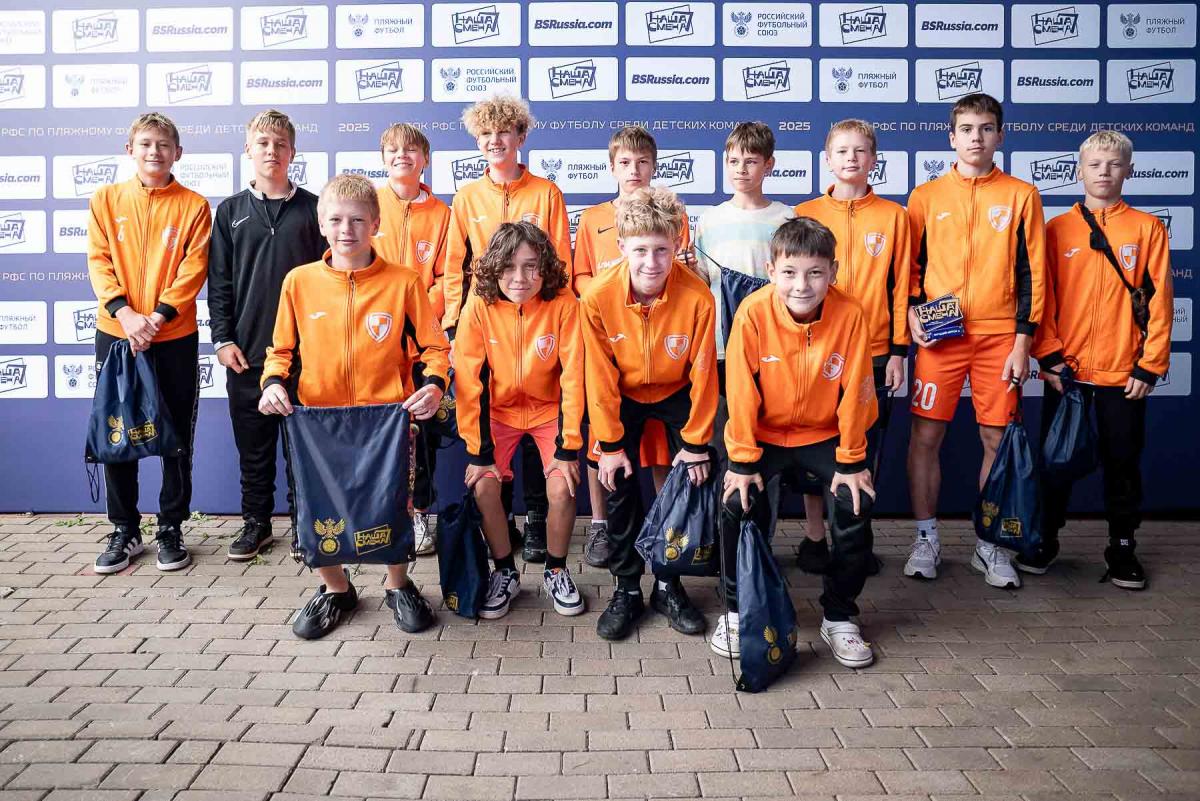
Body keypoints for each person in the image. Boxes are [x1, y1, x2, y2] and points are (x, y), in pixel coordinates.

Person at [258, 173, 450, 639]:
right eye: (337, 220)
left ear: (376, 224)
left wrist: (434, 385)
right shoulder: (299, 282)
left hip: (385, 419)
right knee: (318, 509)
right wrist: (272, 383)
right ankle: (336, 589)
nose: (347, 229)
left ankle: (398, 585)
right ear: (322, 224)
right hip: (318, 421)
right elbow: (280, 351)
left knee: (393, 505)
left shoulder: (403, 282)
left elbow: (435, 349)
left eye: (358, 220)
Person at [719, 217, 878, 668]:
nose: (802, 286)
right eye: (789, 273)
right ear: (772, 271)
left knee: (856, 502)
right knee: (734, 502)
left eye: (814, 273)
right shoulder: (752, 311)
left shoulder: (850, 314)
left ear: (833, 272)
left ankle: (840, 616)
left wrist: (852, 460)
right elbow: (740, 390)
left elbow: (857, 389)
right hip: (765, 434)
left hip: (823, 434)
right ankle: (736, 610)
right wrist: (742, 461)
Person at [903, 93, 1046, 589]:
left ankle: (990, 543)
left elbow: (1032, 273)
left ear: (1000, 135)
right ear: (952, 137)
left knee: (997, 441)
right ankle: (926, 538)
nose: (976, 138)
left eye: (986, 128)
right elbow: (911, 267)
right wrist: (910, 311)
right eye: (966, 129)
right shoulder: (925, 196)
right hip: (940, 336)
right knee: (925, 437)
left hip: (999, 336)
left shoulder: (1022, 195)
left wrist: (1024, 341)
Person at [1027, 130, 1173, 590]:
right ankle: (1045, 539)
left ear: (1129, 170)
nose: (1104, 172)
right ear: (1079, 171)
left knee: (1122, 462)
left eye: (1113, 164)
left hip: (1122, 372)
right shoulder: (1056, 229)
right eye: (1095, 164)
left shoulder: (1147, 228)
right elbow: (1042, 298)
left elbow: (1161, 302)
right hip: (1067, 374)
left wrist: (1149, 365)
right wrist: (1049, 356)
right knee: (1055, 461)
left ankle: (1122, 548)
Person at [580, 186, 717, 641]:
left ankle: (668, 584)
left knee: (689, 481)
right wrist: (610, 445)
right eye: (640, 250)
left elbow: (703, 375)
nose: (652, 262)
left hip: (676, 390)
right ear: (621, 247)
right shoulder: (597, 296)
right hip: (623, 393)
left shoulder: (697, 296)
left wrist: (696, 444)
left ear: (677, 244)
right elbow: (598, 376)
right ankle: (626, 589)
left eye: (662, 249)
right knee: (616, 480)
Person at [441, 95, 573, 563]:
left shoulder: (547, 192)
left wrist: (556, 316)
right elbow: (454, 266)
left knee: (542, 420)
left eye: (504, 132)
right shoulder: (466, 197)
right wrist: (453, 324)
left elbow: (560, 263)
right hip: (486, 321)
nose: (495, 141)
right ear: (477, 141)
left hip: (539, 319)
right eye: (486, 134)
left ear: (521, 136)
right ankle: (506, 528)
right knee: (494, 415)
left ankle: (537, 519)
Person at [90, 112, 211, 575]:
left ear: (177, 153)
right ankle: (124, 529)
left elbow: (192, 269)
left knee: (175, 435)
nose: (154, 152)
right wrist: (125, 314)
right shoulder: (105, 200)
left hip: (172, 335)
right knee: (117, 430)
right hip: (117, 333)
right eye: (145, 144)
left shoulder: (194, 206)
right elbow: (99, 261)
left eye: (163, 145)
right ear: (130, 150)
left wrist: (157, 318)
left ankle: (170, 528)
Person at [793, 119, 910, 574]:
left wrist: (898, 350)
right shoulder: (805, 212)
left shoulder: (895, 216)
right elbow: (792, 285)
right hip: (817, 346)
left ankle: (855, 540)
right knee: (814, 443)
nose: (851, 159)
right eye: (842, 151)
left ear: (874, 160)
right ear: (827, 159)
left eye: (860, 151)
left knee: (862, 446)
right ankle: (814, 537)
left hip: (875, 349)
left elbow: (902, 286)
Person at [573, 125, 692, 568]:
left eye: (643, 162)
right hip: (609, 334)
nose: (634, 170)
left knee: (661, 445)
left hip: (659, 346)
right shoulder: (593, 218)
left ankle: (664, 523)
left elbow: (682, 269)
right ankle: (601, 525)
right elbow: (579, 275)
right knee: (603, 440)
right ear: (612, 167)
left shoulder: (673, 213)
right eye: (625, 162)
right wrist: (608, 298)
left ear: (654, 166)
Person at [208, 109, 325, 562]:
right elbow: (219, 283)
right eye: (262, 143)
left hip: (304, 358)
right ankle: (256, 524)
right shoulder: (230, 212)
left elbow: (331, 279)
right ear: (248, 150)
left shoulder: (315, 209)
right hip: (246, 355)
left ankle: (303, 525)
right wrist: (223, 339)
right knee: (253, 452)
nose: (271, 151)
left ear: (293, 152)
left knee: (302, 451)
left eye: (280, 144)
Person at [456, 222, 586, 618]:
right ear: (494, 268)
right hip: (499, 412)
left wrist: (568, 447)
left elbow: (573, 376)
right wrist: (480, 454)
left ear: (545, 267)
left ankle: (556, 570)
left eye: (531, 266)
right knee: (484, 486)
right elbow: (470, 380)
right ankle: (504, 572)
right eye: (509, 267)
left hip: (549, 410)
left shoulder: (564, 302)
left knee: (563, 486)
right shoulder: (479, 305)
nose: (520, 278)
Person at [374, 122, 452, 556]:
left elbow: (447, 277)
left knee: (421, 433)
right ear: (383, 158)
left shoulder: (443, 214)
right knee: (376, 429)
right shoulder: (369, 204)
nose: (401, 155)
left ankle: (420, 513)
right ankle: (378, 512)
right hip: (373, 339)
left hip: (422, 343)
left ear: (425, 159)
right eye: (393, 149)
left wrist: (416, 315)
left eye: (411, 149)